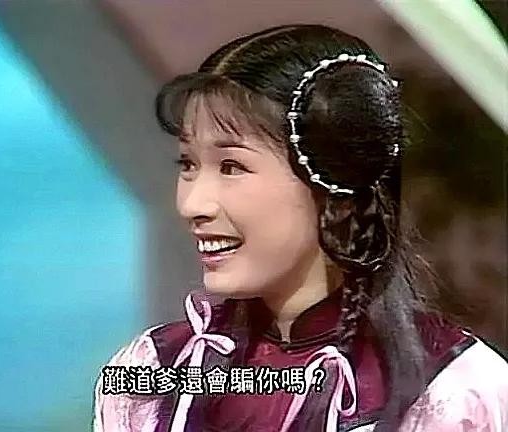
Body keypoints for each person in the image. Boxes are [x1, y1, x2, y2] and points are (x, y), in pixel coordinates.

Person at [92, 24, 508, 431]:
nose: (192, 204)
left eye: (231, 166)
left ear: (337, 188)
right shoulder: (152, 375)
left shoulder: (452, 393)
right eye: (188, 164)